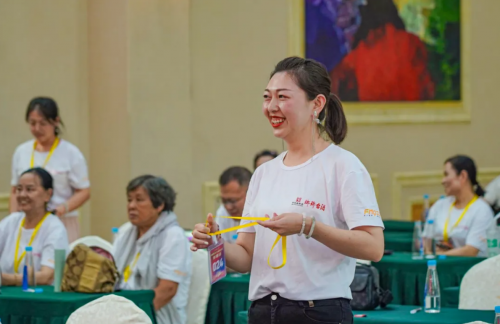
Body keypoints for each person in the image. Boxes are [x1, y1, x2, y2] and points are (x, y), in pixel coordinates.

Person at [192, 57, 384, 324]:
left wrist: (309, 226)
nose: (271, 107)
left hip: (317, 312)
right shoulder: (263, 173)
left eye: (282, 97)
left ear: (316, 104)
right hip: (262, 311)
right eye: (267, 97)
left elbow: (374, 247)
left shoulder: (343, 166)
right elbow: (246, 256)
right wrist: (215, 242)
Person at [10, 97, 91, 243]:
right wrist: (13, 220)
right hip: (28, 221)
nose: (37, 129)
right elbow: (15, 190)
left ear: (56, 121)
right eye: (32, 123)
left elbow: (84, 191)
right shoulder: (21, 152)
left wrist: (62, 209)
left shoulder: (71, 153)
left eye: (43, 123)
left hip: (62, 220)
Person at [113, 175, 192, 324]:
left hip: (156, 315)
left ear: (159, 205)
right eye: (129, 200)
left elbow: (167, 290)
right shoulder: (125, 231)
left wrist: (132, 317)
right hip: (121, 311)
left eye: (139, 199)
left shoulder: (172, 235)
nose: (131, 206)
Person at [0, 167, 69, 286]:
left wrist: (6, 279)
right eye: (19, 189)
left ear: (48, 194)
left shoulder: (55, 228)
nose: (22, 195)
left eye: (30, 189)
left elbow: (46, 276)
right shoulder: (11, 221)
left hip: (40, 298)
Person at [423, 155, 494, 257]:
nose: (443, 181)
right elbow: (426, 241)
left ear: (463, 176)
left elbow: (471, 251)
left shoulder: (481, 210)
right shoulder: (440, 205)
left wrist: (439, 256)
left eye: (446, 174)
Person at [215, 166, 252, 244]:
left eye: (233, 201)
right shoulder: (223, 213)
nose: (228, 207)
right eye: (224, 201)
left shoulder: (265, 215)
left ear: (251, 194)